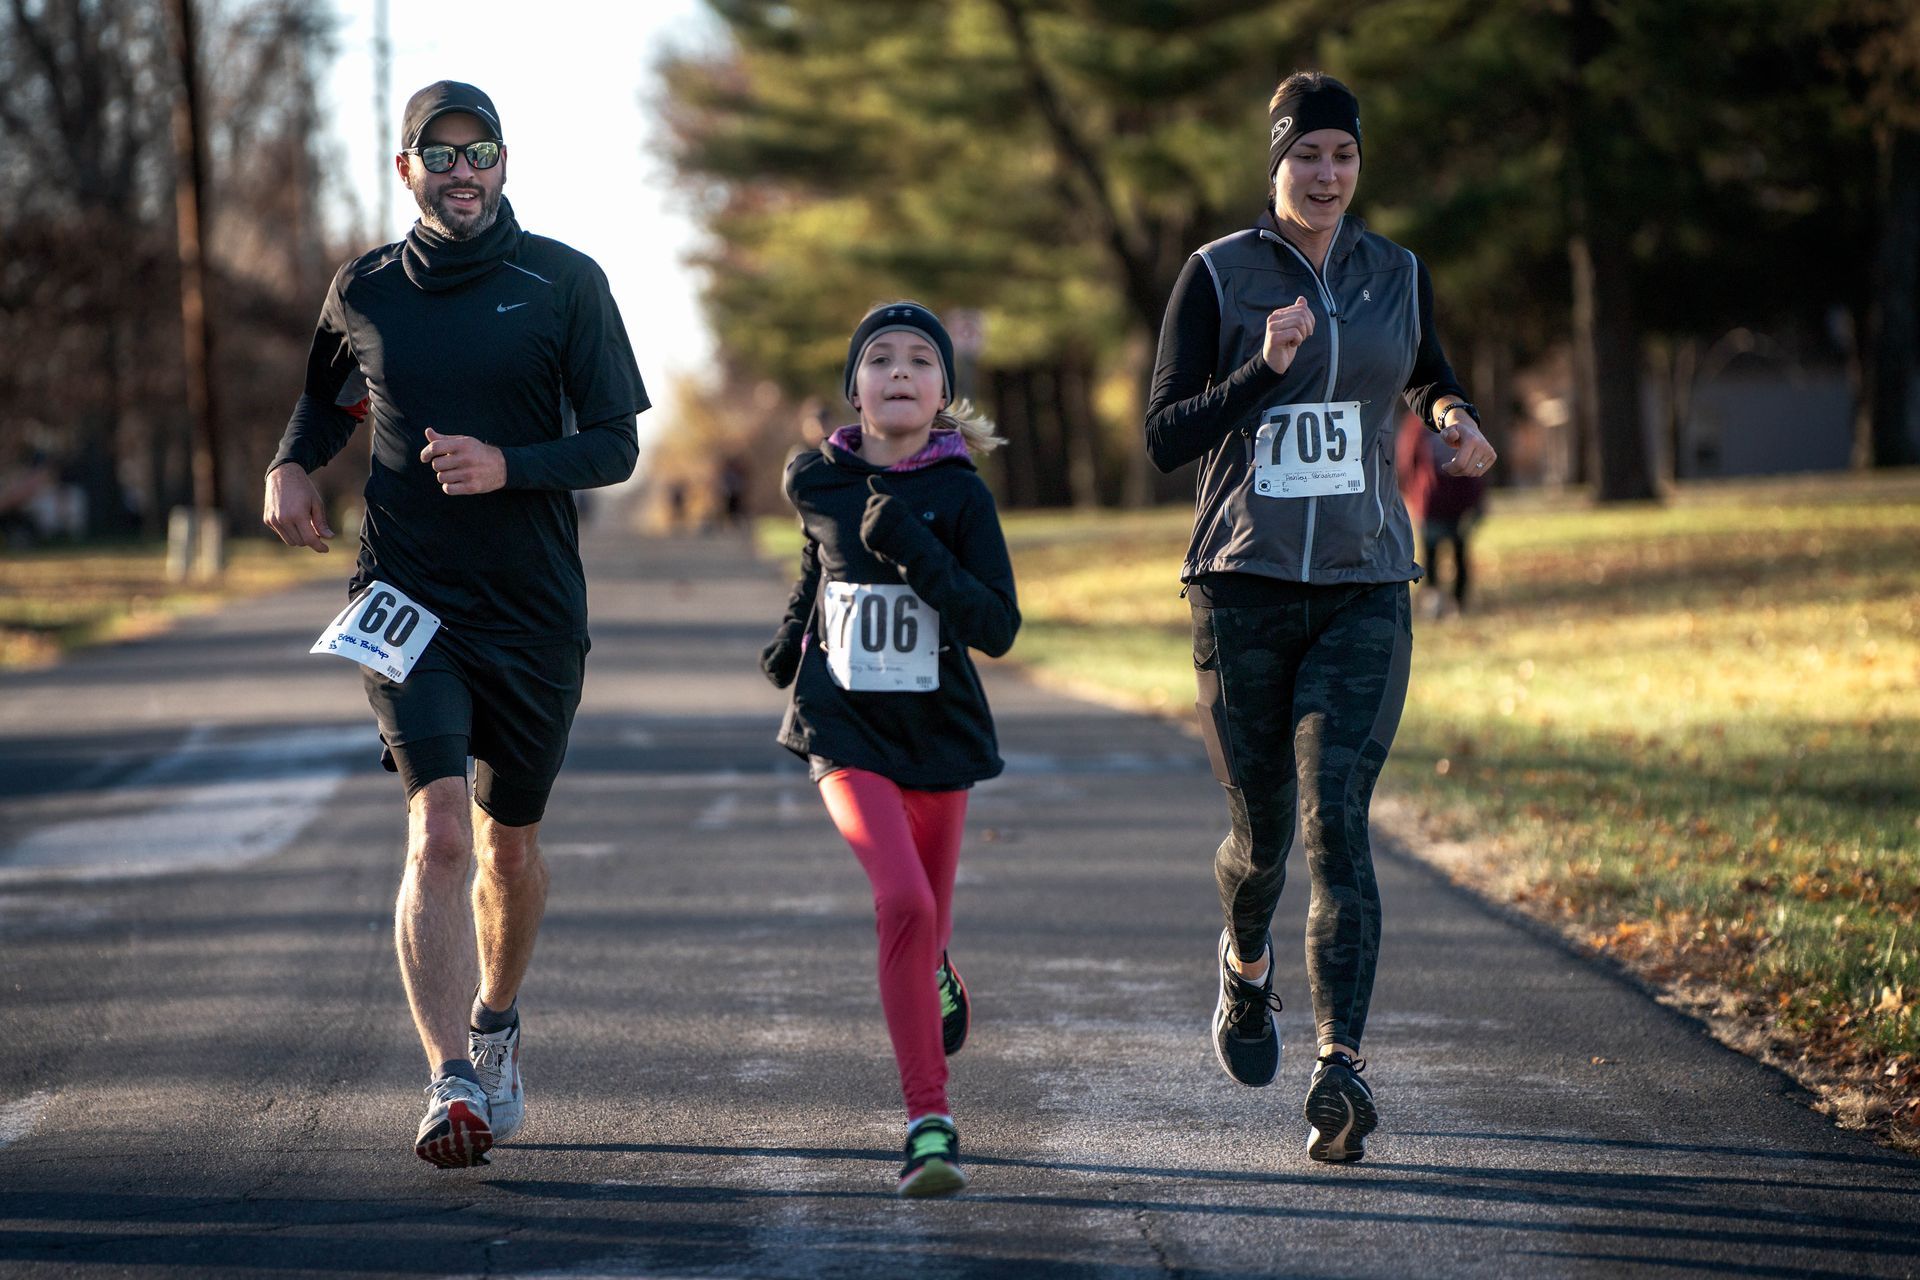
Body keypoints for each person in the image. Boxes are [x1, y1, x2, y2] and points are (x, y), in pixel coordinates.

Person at [261, 81, 647, 1168]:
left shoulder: (565, 284)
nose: (463, 170)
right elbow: (331, 396)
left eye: (481, 152)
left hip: (532, 610)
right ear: (407, 172)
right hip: (405, 597)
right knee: (435, 828)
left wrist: (508, 466)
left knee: (506, 847)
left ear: (506, 164)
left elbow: (614, 444)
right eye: (441, 154)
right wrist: (293, 463)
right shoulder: (366, 289)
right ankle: (449, 1082)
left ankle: (495, 1019)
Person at [1143, 71, 1495, 1163]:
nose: (1328, 174)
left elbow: (1427, 371)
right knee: (1263, 838)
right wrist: (1266, 366)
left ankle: (1341, 1064)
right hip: (1241, 587)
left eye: (1344, 156)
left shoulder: (1398, 272)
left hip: (1365, 584)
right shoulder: (1217, 274)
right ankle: (1245, 970)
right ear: (1277, 162)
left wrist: (1453, 417)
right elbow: (1165, 432)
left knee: (1339, 819)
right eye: (1309, 156)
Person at [759, 301, 1018, 1197]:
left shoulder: (960, 495)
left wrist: (917, 553)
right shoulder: (817, 480)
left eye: (919, 359)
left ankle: (938, 971)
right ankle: (928, 1125)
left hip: (938, 734)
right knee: (901, 901)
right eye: (879, 359)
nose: (899, 371)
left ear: (945, 391)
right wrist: (793, 632)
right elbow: (817, 561)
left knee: (929, 927)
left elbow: (997, 626)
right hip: (843, 729)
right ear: (854, 389)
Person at [1396, 411, 1489, 617]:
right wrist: (1412, 494)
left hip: (1459, 502)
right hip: (1430, 502)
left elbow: (1476, 461)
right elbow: (1407, 460)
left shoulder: (1462, 421)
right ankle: (1433, 602)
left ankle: (1459, 602)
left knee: (1460, 553)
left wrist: (1477, 499)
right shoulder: (1417, 426)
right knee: (1430, 554)